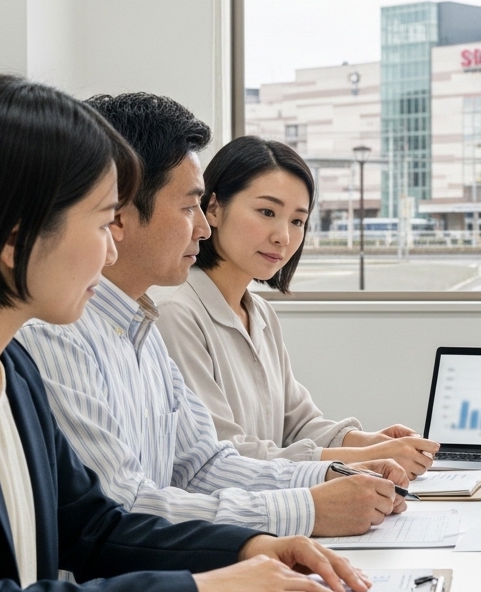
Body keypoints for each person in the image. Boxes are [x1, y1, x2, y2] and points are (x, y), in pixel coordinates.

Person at [0, 76, 371, 592]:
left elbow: (94, 528)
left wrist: (249, 548)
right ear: (14, 240)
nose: (111, 248)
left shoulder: (9, 372)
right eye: (102, 223)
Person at [18, 93, 404, 539]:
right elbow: (119, 510)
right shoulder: (59, 336)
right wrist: (308, 507)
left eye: (298, 220)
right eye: (188, 208)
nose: (202, 228)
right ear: (117, 213)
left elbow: (203, 464)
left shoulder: (140, 327)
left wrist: (328, 478)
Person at [157, 136, 438, 474]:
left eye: (297, 221)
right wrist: (365, 458)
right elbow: (223, 453)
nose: (283, 236)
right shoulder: (176, 312)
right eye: (266, 212)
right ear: (214, 208)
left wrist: (370, 442)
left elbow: (298, 425)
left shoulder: (260, 314)